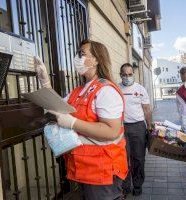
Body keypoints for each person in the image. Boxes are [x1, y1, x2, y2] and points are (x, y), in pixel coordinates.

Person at [34, 39, 128, 200]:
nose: (77, 58)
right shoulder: (78, 90)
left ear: (96, 60)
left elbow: (112, 131)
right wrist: (45, 82)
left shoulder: (106, 90)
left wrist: (72, 123)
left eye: (82, 54)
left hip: (102, 171)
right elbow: (56, 106)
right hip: (83, 168)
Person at [119, 63, 152, 197]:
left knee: (138, 158)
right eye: (124, 75)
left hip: (138, 126)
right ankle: (125, 187)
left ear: (133, 74)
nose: (127, 77)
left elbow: (147, 109)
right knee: (123, 158)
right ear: (120, 75)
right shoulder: (116, 88)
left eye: (130, 74)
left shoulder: (140, 89)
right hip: (121, 128)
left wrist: (150, 126)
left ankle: (137, 185)